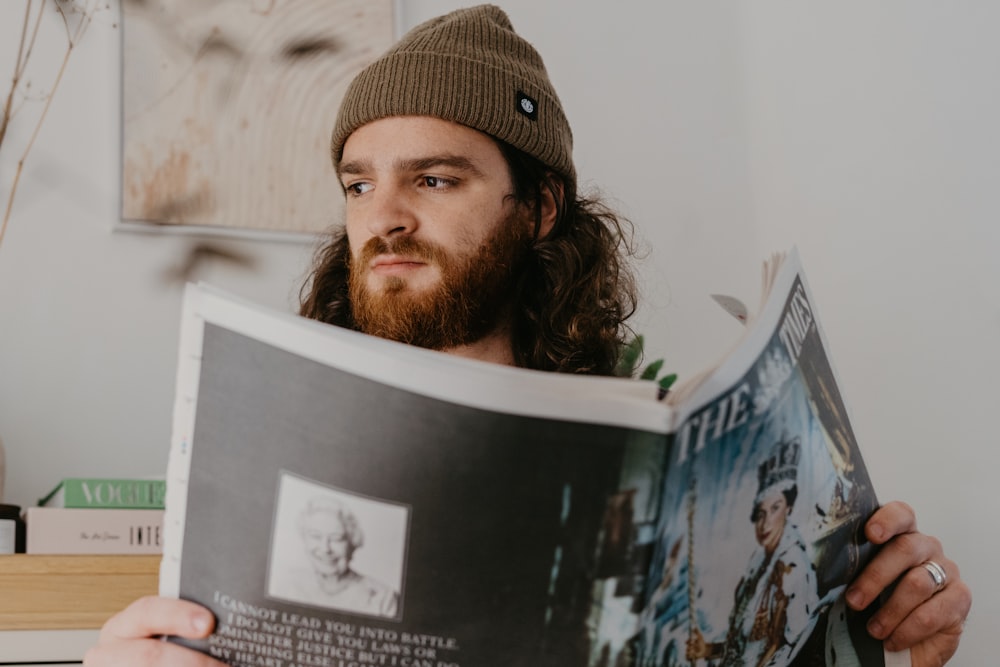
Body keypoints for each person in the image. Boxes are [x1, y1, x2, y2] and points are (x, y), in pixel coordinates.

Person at [83, 5, 971, 666]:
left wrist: (898, 637)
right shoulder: (251, 462)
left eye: (432, 179)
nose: (382, 217)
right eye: (358, 185)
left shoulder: (665, 467)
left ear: (540, 208)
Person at [686, 437, 819, 666]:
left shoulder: (793, 568)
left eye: (775, 508)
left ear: (788, 508)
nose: (765, 523)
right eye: (760, 513)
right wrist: (707, 649)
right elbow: (743, 647)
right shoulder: (757, 565)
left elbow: (790, 648)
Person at [269, 497, 398, 617]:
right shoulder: (287, 585)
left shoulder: (382, 597)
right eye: (315, 536)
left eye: (336, 539)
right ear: (304, 540)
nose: (325, 549)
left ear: (352, 542)